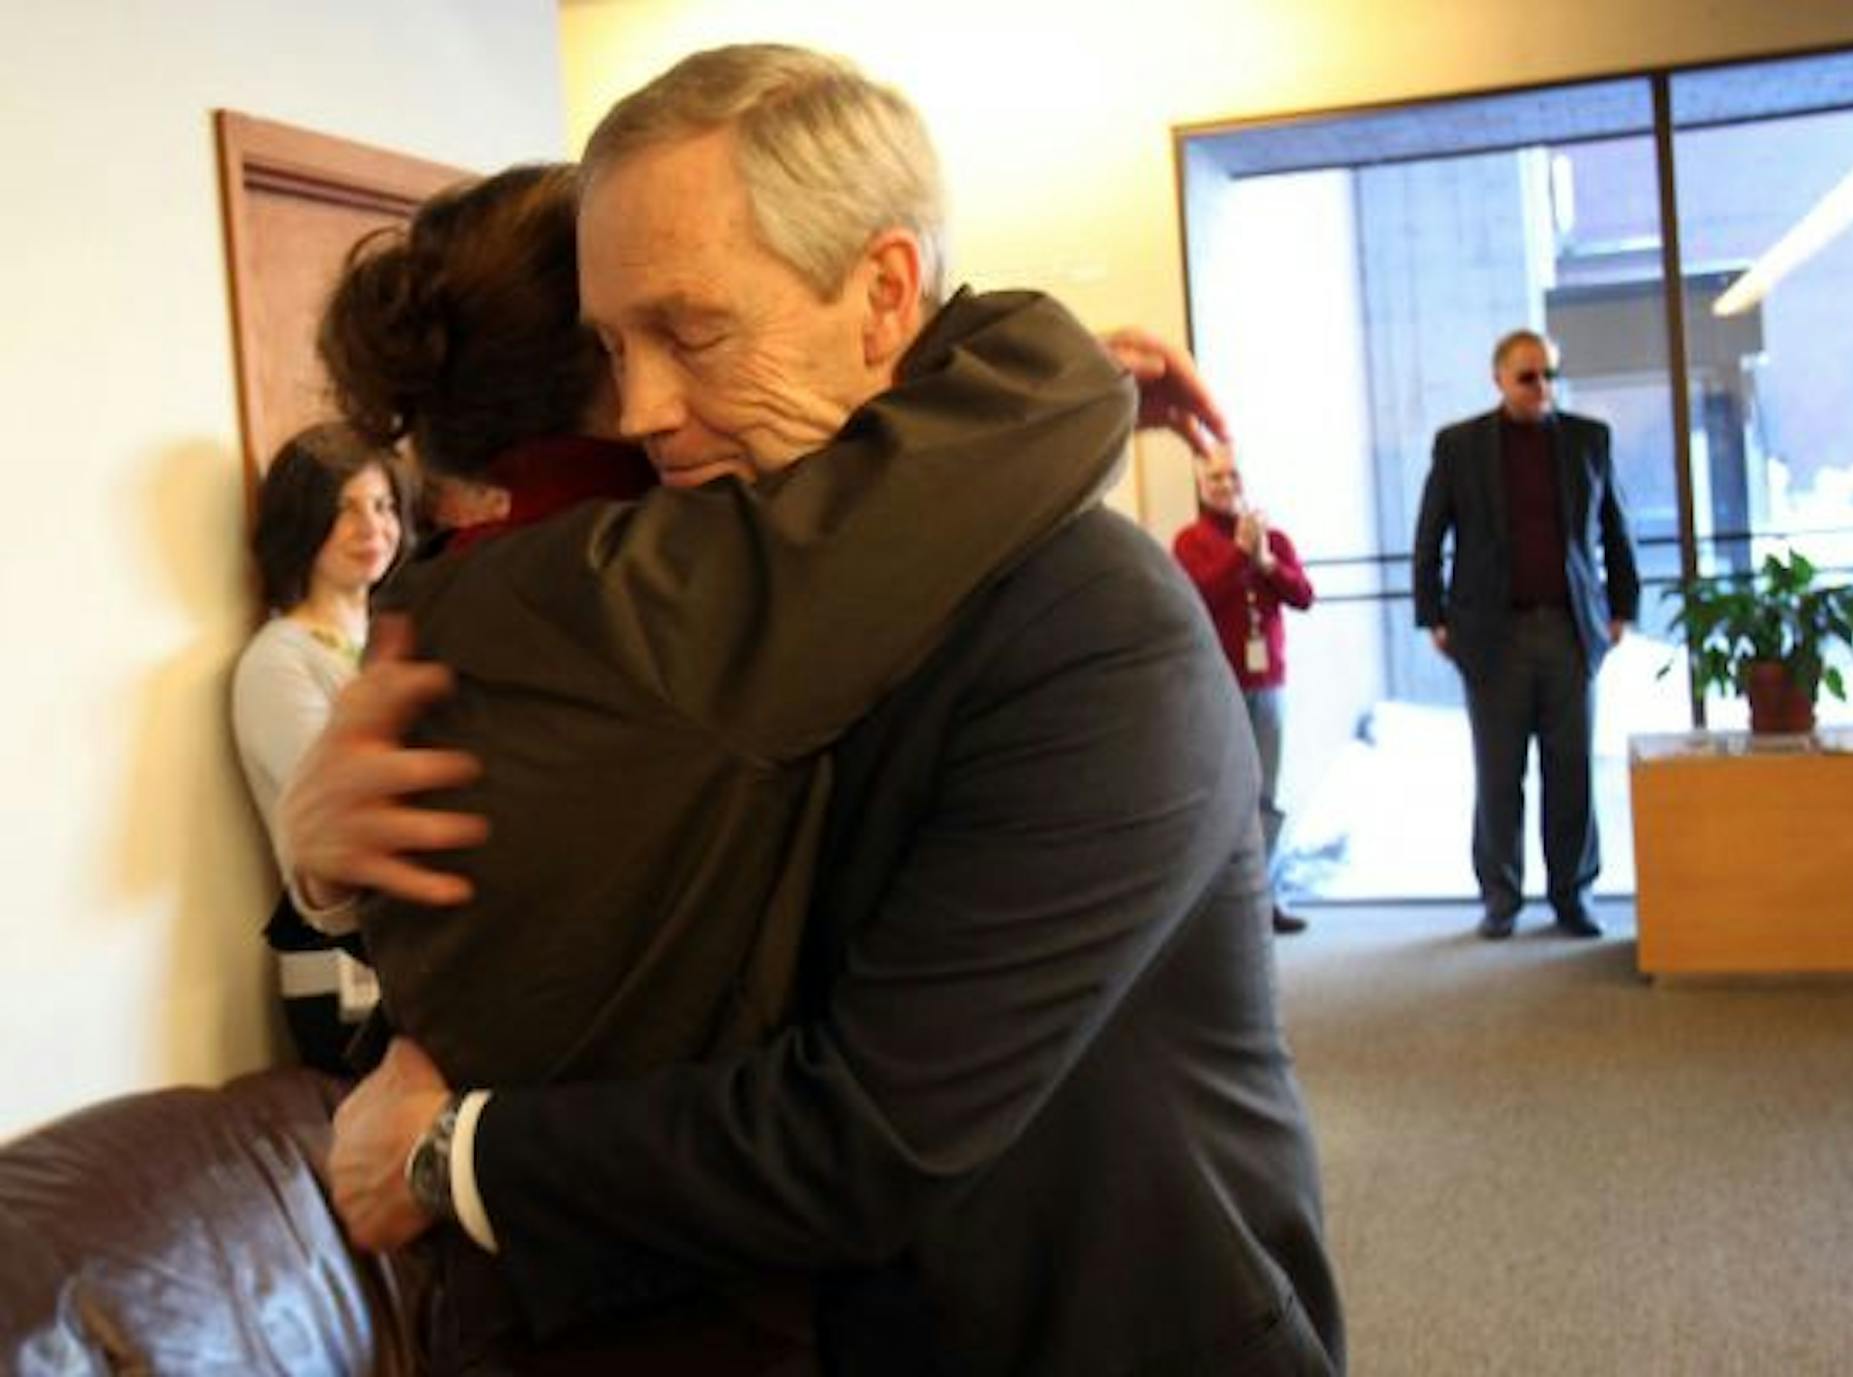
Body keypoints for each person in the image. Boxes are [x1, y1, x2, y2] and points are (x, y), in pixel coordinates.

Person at [287, 45, 1342, 1375]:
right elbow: (594, 948)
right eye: (613, 349)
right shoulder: (713, 575)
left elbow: (872, 1130)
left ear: (886, 293)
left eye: (694, 332)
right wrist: (327, 867)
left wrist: (452, 1153)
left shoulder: (1093, 621)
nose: (645, 411)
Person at [1412, 328, 1638, 940]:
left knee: (1571, 772)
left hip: (1569, 631)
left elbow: (1615, 529)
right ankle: (1501, 898)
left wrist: (1621, 608)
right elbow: (1430, 534)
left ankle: (1573, 894)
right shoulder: (1460, 447)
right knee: (1498, 772)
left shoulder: (1588, 440)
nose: (1542, 388)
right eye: (1528, 377)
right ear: (1499, 380)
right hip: (1491, 635)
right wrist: (1432, 615)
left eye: (1549, 375)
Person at [230, 422, 412, 1072]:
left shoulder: (397, 635)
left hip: (412, 953)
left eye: (384, 505)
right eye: (345, 509)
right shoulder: (278, 659)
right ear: (301, 521)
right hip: (341, 971)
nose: (373, 527)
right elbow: (353, 805)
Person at [1174, 442, 1315, 935]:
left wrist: (1266, 560)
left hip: (1268, 682)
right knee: (1224, 792)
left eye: (1233, 476)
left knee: (1267, 794)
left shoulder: (1271, 537)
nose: (1227, 486)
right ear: (1200, 486)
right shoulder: (1191, 542)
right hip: (1219, 685)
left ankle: (1266, 896)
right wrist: (1239, 555)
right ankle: (1228, 904)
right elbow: (1199, 594)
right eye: (1215, 479)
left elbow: (1303, 595)